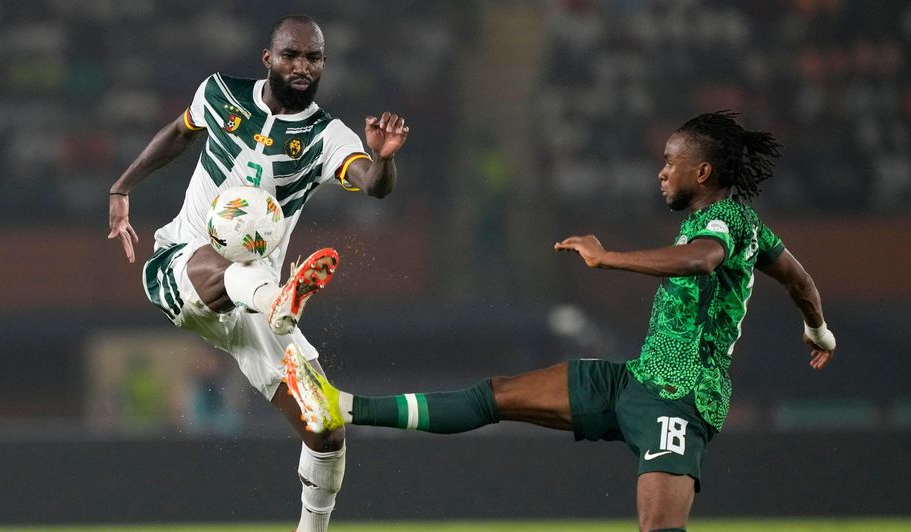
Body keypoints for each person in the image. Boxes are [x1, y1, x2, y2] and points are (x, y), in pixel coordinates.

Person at [281, 111, 836, 532]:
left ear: (704, 170)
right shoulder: (751, 230)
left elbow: (701, 260)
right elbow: (800, 282)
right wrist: (818, 330)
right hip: (636, 381)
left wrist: (606, 257)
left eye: (671, 162)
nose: (662, 172)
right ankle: (341, 405)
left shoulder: (724, 221)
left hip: (681, 401)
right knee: (495, 395)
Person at [107, 15, 410, 532]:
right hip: (183, 267)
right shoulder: (220, 93)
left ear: (323, 65)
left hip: (257, 307)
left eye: (313, 58)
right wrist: (121, 188)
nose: (302, 66)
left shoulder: (325, 134)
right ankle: (277, 299)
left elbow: (373, 184)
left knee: (325, 427)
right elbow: (179, 134)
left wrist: (382, 161)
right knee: (225, 263)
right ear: (268, 59)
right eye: (291, 55)